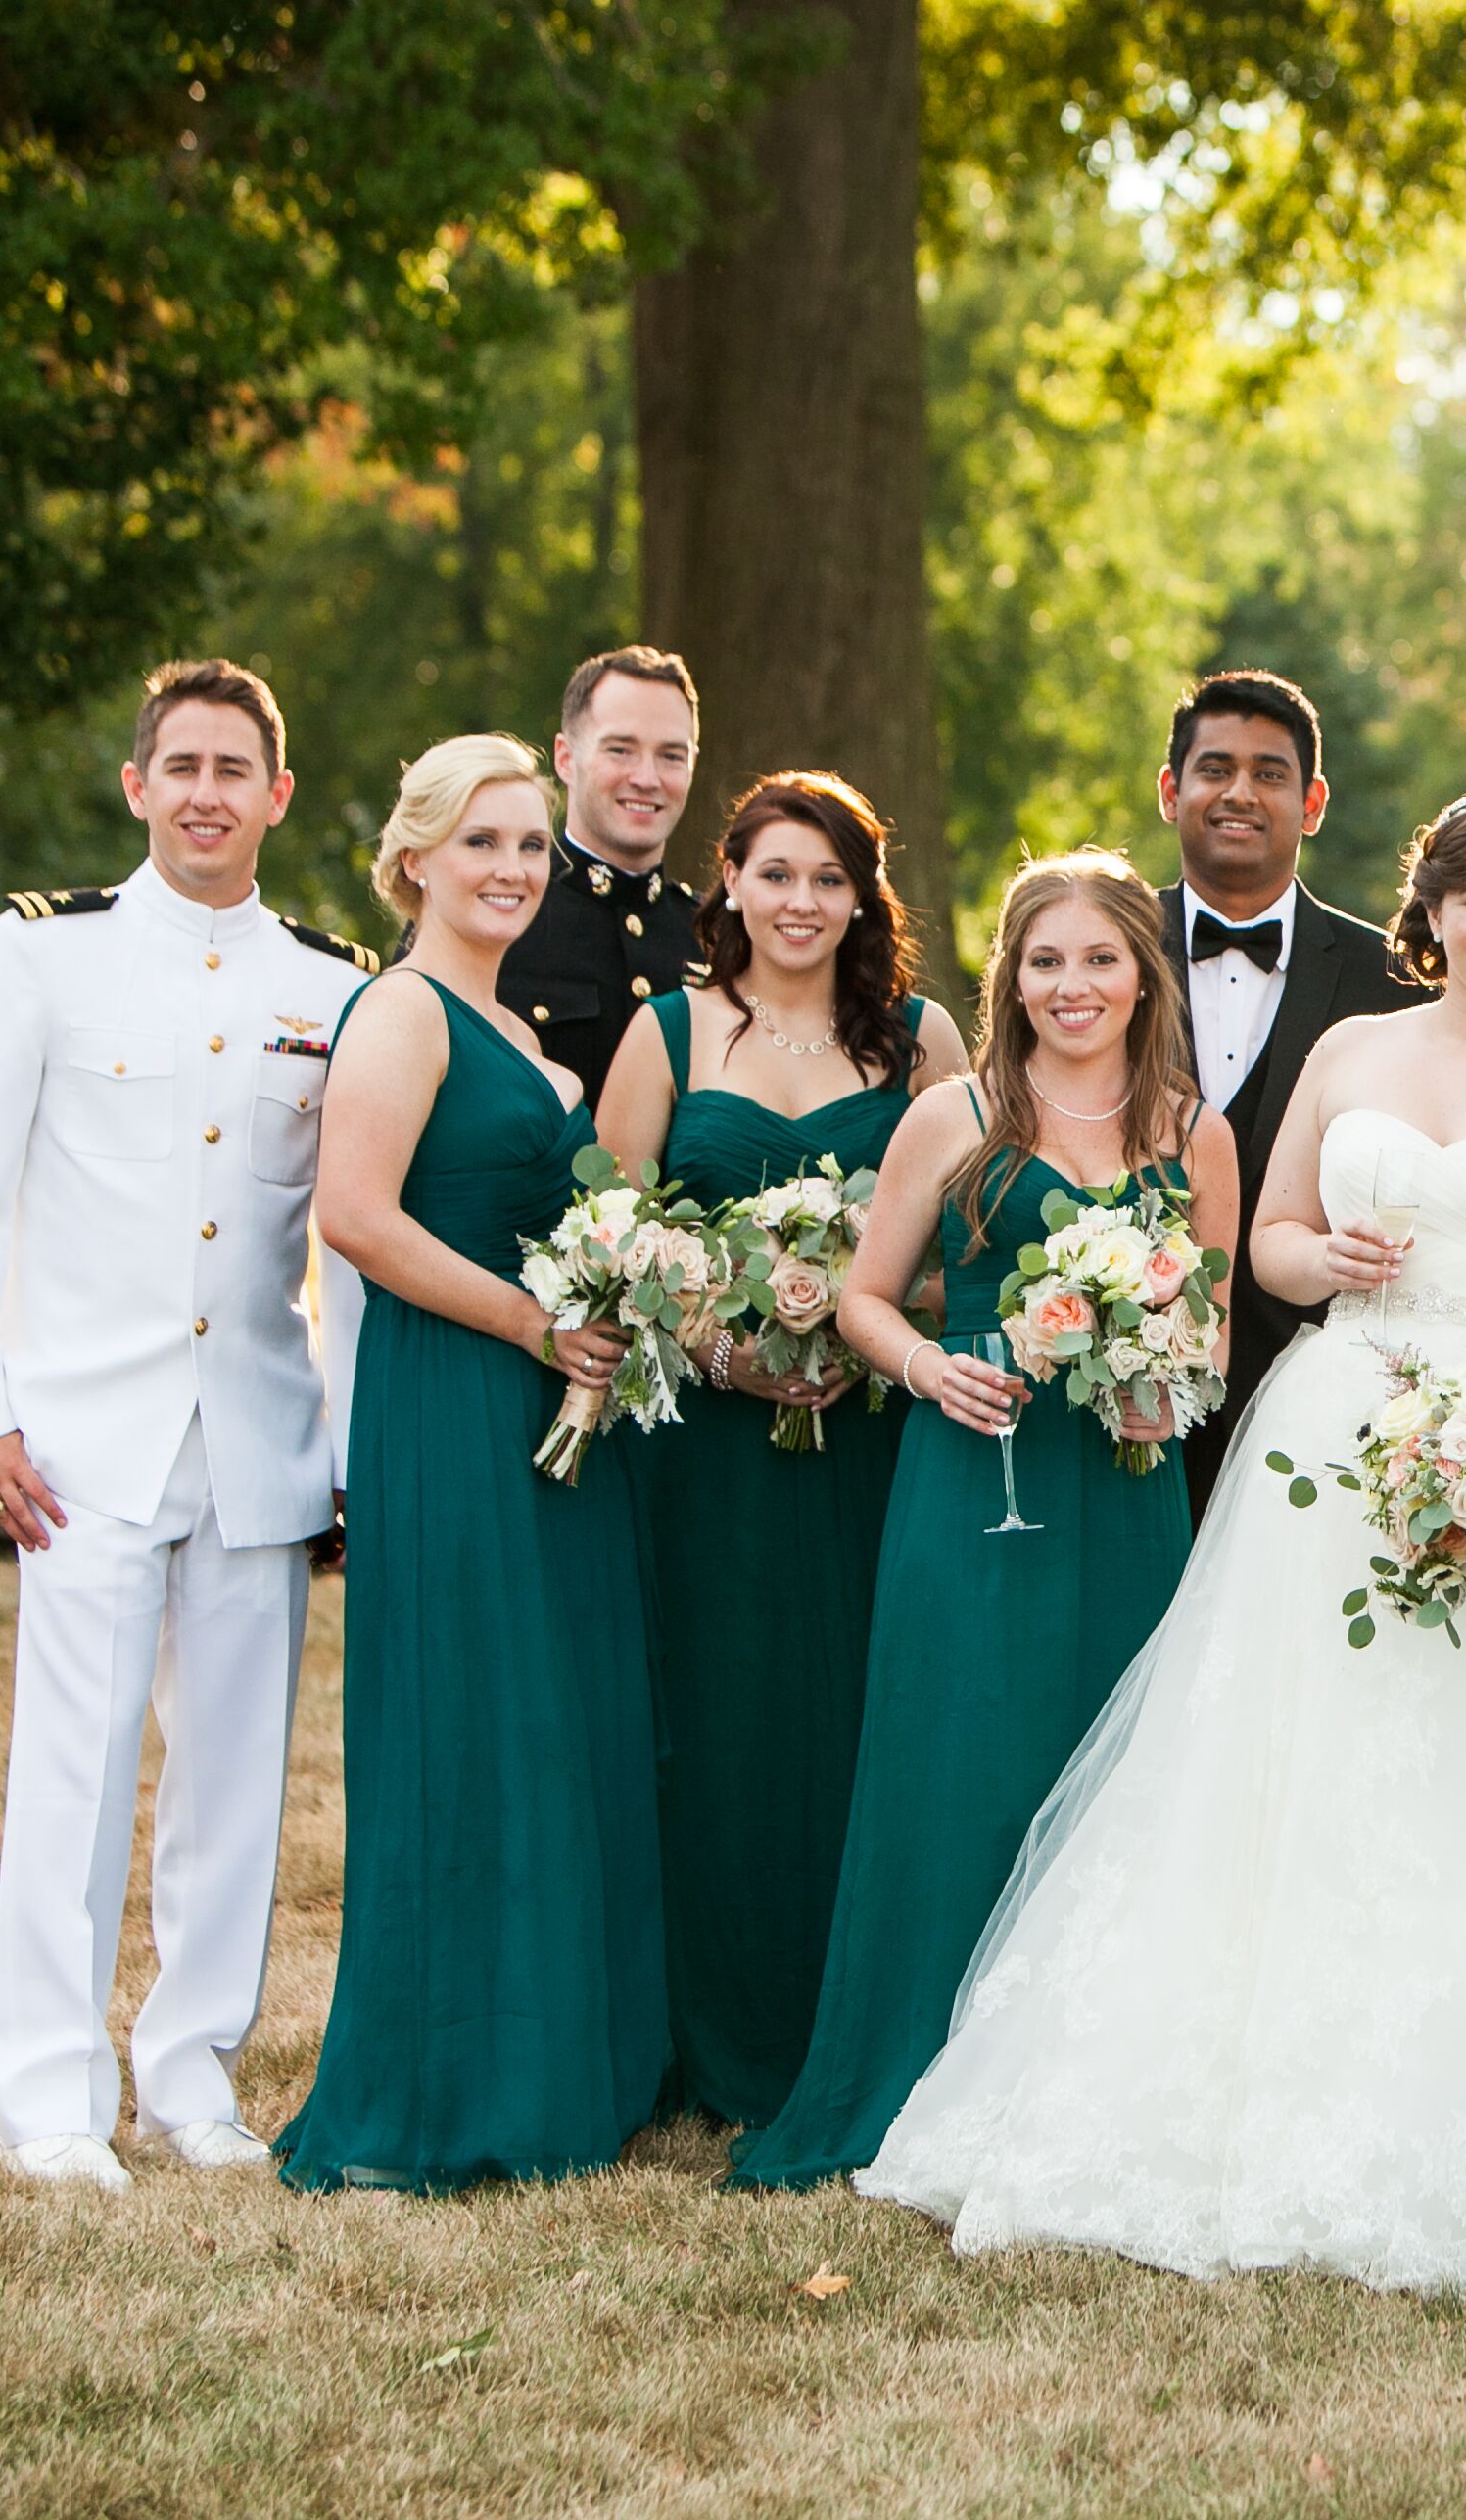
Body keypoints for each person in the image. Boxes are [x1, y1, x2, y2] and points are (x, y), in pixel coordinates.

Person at [855, 791, 1466, 2289]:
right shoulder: (1349, 1052)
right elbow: (1260, 1246)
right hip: (1338, 1427)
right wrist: (1320, 1257)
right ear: (1432, 913)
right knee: (1288, 1760)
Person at [0, 658, 376, 2190]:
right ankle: (50, 2099)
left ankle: (193, 2077)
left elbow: (349, 1248)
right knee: (78, 1769)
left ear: (277, 795)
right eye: (179, 765)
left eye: (234, 768)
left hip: (258, 1438)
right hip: (82, 1444)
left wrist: (349, 1463)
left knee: (235, 1782)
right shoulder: (44, 957)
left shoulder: (331, 986)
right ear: (138, 786)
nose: (204, 792)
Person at [729, 852, 1237, 2191]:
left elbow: (1216, 1331)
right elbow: (864, 1297)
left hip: (1122, 1492)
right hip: (972, 1476)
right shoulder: (954, 1114)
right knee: (958, 1756)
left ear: (1143, 973)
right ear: (1009, 976)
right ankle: (918, 2070)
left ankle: (1090, 2088)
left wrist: (1167, 1393)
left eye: (1099, 960)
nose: (1071, 987)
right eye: (1044, 961)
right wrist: (926, 1367)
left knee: (1118, 1769)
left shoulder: (1192, 1128)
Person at [275, 734, 671, 2193]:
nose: (512, 870)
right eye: (483, 844)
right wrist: (533, 1319)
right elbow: (358, 1218)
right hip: (453, 1397)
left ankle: (553, 2066)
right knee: (464, 1722)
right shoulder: (403, 1011)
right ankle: (440, 2087)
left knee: (545, 1724)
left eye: (528, 848)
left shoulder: (523, 1039)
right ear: (416, 860)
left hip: (549, 1410)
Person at [592, 772, 968, 2129]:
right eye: (778, 873)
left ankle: (853, 2029)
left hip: (872, 1445)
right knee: (719, 1725)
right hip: (706, 1457)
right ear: (731, 882)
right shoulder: (669, 1029)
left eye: (830, 878)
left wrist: (856, 1320)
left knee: (861, 1715)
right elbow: (610, 1234)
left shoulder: (920, 1042)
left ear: (863, 896)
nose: (802, 902)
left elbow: (965, 1247)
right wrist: (711, 1334)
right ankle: (711, 2042)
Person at [1151, 669, 1433, 1511]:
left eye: (1269, 773)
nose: (1239, 792)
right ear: (1172, 791)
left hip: (1322, 1412)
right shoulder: (1096, 956)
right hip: (1117, 1401)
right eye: (1214, 769)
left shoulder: (1396, 980)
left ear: (1312, 803)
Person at [501, 646, 704, 1109]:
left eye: (671, 755)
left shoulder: (721, 937)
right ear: (565, 758)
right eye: (620, 750)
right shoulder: (499, 913)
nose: (647, 778)